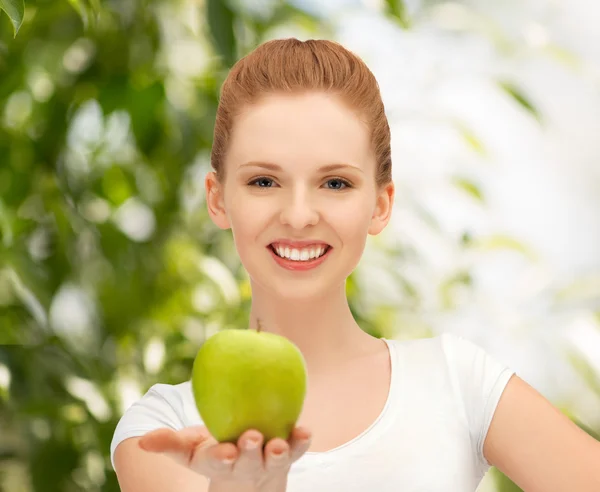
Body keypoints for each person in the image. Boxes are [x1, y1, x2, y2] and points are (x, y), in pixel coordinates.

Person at [110, 38, 600, 492]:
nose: (299, 215)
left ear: (381, 205)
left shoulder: (456, 380)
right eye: (264, 181)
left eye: (336, 183)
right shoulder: (164, 428)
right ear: (218, 199)